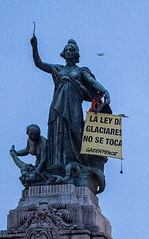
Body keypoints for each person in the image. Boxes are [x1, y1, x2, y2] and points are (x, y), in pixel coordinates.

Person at [30, 34, 110, 175]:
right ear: (64, 53)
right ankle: (57, 164)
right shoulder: (58, 69)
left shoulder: (80, 71)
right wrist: (34, 46)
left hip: (73, 107)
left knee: (75, 132)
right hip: (58, 105)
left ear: (76, 54)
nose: (68, 52)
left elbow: (91, 82)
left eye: (71, 50)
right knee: (58, 131)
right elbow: (39, 64)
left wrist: (104, 90)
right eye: (66, 50)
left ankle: (79, 161)